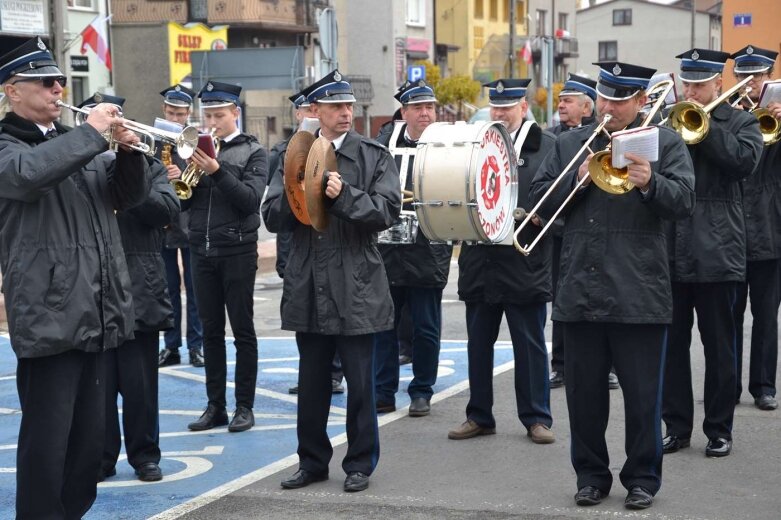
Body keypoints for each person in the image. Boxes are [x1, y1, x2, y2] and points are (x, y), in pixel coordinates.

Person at [531, 61, 695, 510]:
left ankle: (642, 478)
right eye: (604, 97)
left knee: (643, 399)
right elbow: (537, 199)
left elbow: (684, 203)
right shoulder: (569, 143)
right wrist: (577, 182)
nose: (609, 106)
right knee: (584, 399)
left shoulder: (666, 143)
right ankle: (590, 476)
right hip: (580, 291)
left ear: (642, 101)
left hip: (640, 292)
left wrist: (651, 183)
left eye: (620, 99)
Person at [0, 37, 149, 518]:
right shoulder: (9, 147)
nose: (57, 87)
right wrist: (89, 133)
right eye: (44, 81)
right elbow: (27, 176)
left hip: (97, 309)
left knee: (88, 446)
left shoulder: (74, 143)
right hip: (49, 311)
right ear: (11, 91)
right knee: (47, 443)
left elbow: (125, 198)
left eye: (60, 79)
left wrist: (128, 153)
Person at [262, 70, 401, 493]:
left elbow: (387, 211)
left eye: (349, 107)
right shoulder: (293, 152)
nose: (346, 113)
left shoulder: (373, 154)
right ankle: (312, 462)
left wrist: (345, 197)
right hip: (308, 282)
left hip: (355, 282)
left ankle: (359, 463)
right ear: (315, 111)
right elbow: (271, 217)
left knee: (360, 384)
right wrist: (298, 190)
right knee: (313, 383)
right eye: (336, 107)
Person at [662, 49, 763, 459]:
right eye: (687, 84)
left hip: (718, 249)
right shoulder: (670, 121)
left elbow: (744, 163)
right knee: (671, 346)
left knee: (720, 346)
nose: (692, 92)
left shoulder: (742, 122)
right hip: (671, 249)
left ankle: (719, 429)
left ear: (718, 84)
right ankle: (677, 427)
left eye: (699, 85)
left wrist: (705, 130)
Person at [448, 78, 555, 445]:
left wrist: (539, 216)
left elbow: (557, 200)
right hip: (480, 261)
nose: (500, 112)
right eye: (495, 106)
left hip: (524, 261)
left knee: (530, 346)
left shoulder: (547, 147)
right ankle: (479, 416)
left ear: (523, 107)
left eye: (507, 106)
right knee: (478, 344)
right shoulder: (477, 143)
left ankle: (537, 418)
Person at [88, 93, 179, 483]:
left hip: (140, 282)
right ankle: (102, 457)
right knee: (98, 386)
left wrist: (126, 188)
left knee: (141, 384)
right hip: (94, 286)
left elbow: (167, 210)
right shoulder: (84, 164)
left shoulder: (148, 162)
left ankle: (145, 456)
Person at [185, 81, 268, 433]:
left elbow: (249, 200)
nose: (213, 122)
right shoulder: (194, 148)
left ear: (235, 113)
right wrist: (181, 179)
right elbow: (184, 203)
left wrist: (217, 170)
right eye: (208, 115)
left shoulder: (254, 152)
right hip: (200, 250)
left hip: (236, 249)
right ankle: (215, 405)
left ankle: (244, 406)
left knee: (243, 331)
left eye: (220, 115)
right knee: (210, 333)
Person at [374, 79, 452, 417]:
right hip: (388, 248)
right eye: (418, 107)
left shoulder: (449, 142)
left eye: (429, 107)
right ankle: (383, 390)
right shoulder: (382, 141)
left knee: (425, 326)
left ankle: (422, 390)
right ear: (403, 112)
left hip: (429, 246)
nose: (425, 113)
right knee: (384, 325)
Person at [267, 90, 344, 395]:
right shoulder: (284, 151)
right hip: (299, 251)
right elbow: (274, 214)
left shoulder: (353, 150)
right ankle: (313, 376)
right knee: (307, 318)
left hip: (337, 255)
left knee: (337, 316)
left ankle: (335, 373)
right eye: (302, 111)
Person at [547, 73, 608, 390]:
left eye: (567, 101)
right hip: (561, 232)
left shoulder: (600, 136)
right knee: (562, 298)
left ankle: (606, 364)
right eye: (560, 101)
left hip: (597, 231)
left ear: (587, 107)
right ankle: (560, 363)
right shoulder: (555, 138)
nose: (561, 106)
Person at [730, 44, 781, 412]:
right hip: (730, 232)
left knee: (765, 315)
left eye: (757, 78)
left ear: (768, 80)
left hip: (770, 228)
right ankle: (727, 383)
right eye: (743, 77)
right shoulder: (725, 117)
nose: (749, 85)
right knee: (727, 317)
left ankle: (763, 386)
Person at [157, 83, 205, 368]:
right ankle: (171, 346)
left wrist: (181, 173)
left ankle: (196, 346)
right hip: (162, 222)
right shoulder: (154, 139)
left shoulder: (196, 140)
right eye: (171, 112)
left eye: (180, 113)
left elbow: (202, 176)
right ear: (164, 110)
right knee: (167, 288)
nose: (175, 118)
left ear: (189, 113)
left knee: (194, 288)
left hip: (189, 222)